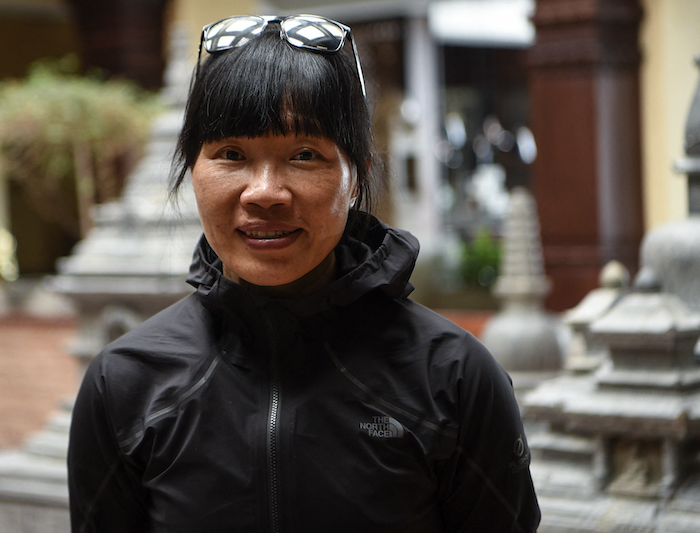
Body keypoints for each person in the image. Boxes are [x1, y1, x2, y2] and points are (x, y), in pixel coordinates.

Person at [68, 14, 540, 533]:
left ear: (356, 176)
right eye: (231, 154)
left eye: (304, 155)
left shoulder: (454, 378)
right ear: (190, 169)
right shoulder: (125, 384)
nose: (265, 193)